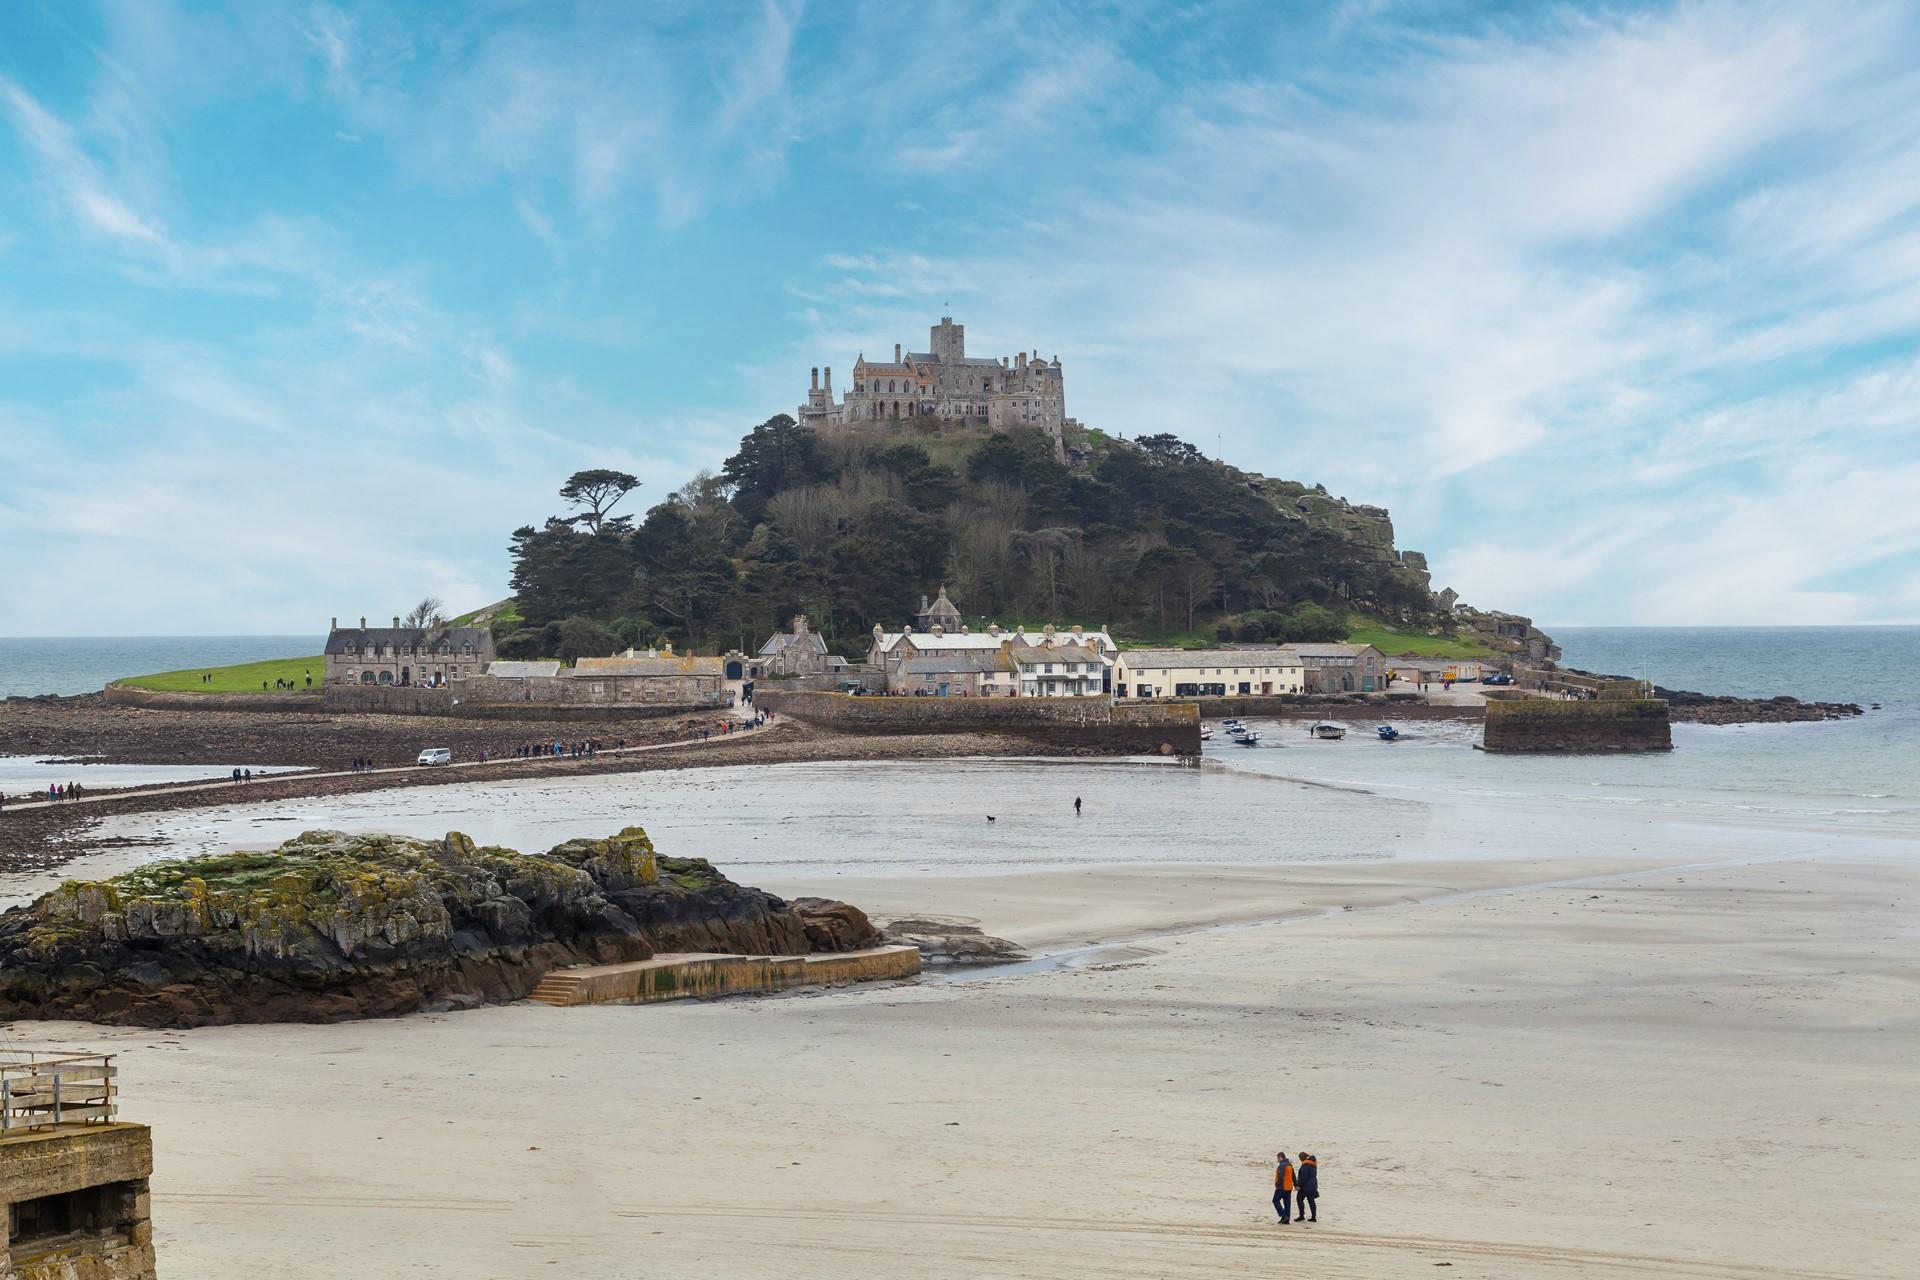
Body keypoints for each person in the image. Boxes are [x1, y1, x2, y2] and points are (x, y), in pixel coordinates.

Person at [1295, 1152, 1318, 1222]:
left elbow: (1303, 1177)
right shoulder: (1313, 1164)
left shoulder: (1306, 1165)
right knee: (1311, 1201)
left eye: (1299, 1158)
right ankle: (1314, 1217)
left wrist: (1298, 1185)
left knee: (1299, 1199)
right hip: (1313, 1186)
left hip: (1305, 1187)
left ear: (1302, 1158)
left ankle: (1301, 1215)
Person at [1273, 1152, 1294, 1224]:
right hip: (1289, 1187)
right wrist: (1296, 1184)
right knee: (1287, 1203)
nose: (1277, 1160)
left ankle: (1283, 1215)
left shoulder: (1281, 1165)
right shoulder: (1289, 1165)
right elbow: (1293, 1176)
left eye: (1277, 1158)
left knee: (1275, 1200)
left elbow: (1281, 1177)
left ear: (1280, 1157)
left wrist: (1277, 1184)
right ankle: (1286, 1219)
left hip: (1281, 1187)